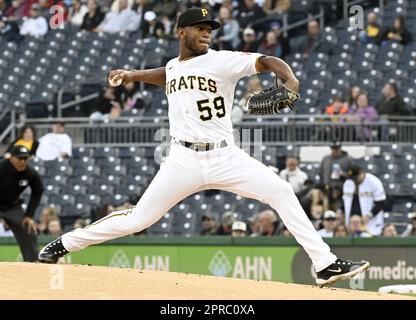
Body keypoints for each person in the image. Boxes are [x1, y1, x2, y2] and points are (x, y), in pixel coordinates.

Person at [39, 7, 369, 286]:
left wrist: (290, 79)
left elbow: (267, 60)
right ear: (181, 32)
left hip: (225, 155)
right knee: (138, 219)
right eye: (200, 28)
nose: (207, 33)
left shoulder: (222, 61)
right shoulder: (173, 66)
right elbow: (165, 74)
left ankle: (324, 263)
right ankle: (64, 244)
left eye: (209, 28)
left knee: (282, 190)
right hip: (182, 159)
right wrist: (131, 75)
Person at [0, 146, 43, 261]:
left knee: (28, 229)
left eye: (26, 158)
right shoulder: (1, 168)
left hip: (12, 206)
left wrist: (29, 215)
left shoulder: (30, 173)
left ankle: (34, 263)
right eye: (20, 158)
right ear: (11, 158)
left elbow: (38, 191)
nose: (23, 161)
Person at [343, 164, 386, 236]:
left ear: (361, 173)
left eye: (356, 177)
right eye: (352, 178)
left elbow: (381, 203)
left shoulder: (374, 181)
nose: (354, 180)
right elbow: (346, 202)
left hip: (371, 221)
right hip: (353, 223)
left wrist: (369, 216)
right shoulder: (348, 182)